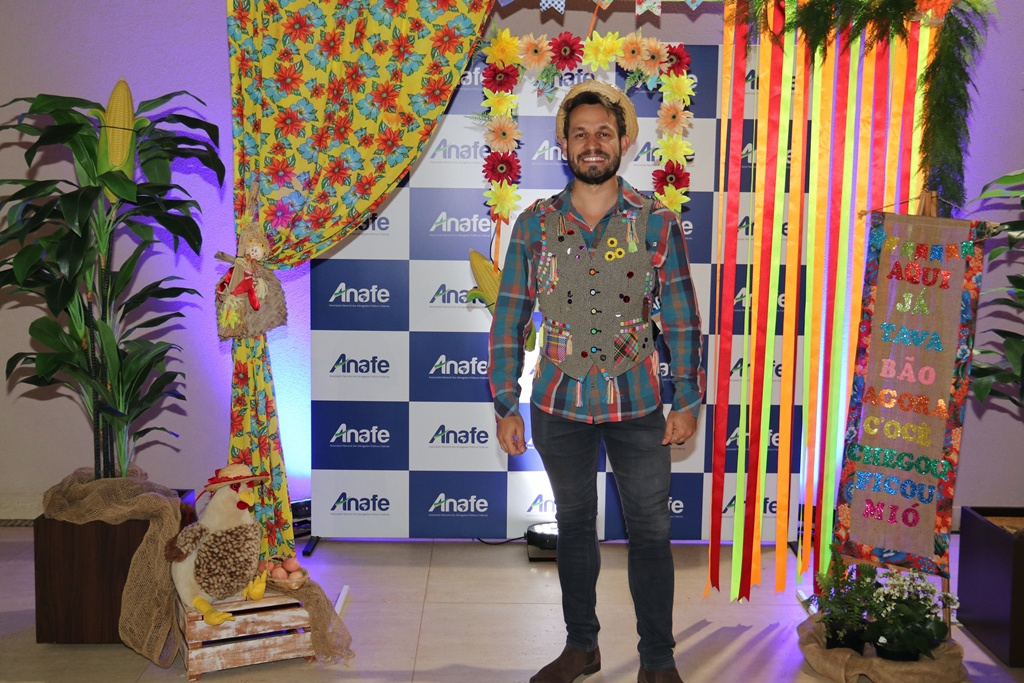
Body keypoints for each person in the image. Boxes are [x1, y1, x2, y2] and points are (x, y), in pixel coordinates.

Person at [488, 79, 705, 683]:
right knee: (575, 526)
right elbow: (510, 317)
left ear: (624, 141)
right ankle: (581, 648)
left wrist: (686, 398)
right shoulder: (534, 224)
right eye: (580, 134)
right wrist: (506, 401)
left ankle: (657, 661)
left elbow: (682, 320)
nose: (592, 144)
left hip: (638, 406)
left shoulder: (657, 222)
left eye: (603, 133)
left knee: (651, 532)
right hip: (558, 406)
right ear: (563, 143)